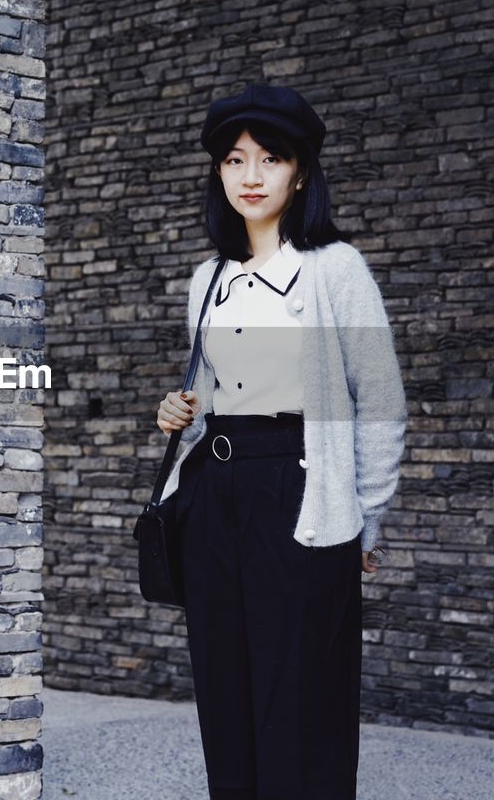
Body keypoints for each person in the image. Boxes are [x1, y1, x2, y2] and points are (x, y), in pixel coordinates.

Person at [153, 83, 408, 799]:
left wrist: (365, 514)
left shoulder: (335, 269)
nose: (252, 176)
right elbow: (209, 396)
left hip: (300, 492)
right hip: (215, 493)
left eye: (271, 158)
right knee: (225, 695)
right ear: (219, 174)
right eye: (235, 160)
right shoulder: (207, 280)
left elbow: (380, 400)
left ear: (300, 172)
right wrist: (177, 412)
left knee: (301, 699)